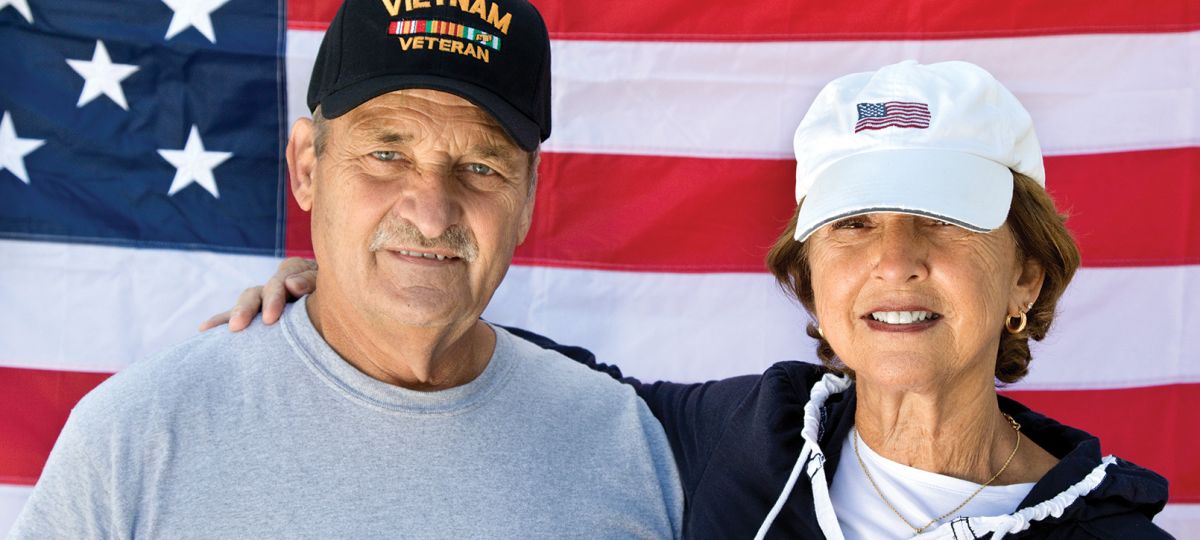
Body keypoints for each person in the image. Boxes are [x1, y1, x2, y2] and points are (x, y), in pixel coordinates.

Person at [205, 60, 1172, 538]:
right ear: (810, 276)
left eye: (944, 223)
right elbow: (497, 368)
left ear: (1028, 275)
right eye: (853, 226)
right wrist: (343, 298)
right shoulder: (736, 439)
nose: (896, 262)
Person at [9, 0, 684, 537]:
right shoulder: (139, 436)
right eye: (386, 155)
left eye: (480, 167)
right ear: (307, 166)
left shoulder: (623, 440)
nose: (429, 212)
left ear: (528, 198)